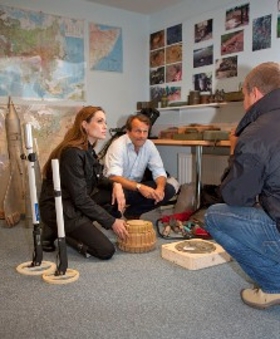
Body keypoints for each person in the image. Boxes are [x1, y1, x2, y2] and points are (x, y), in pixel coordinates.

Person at [204, 62, 280, 310]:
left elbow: (235, 197)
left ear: (255, 93)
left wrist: (235, 151)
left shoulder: (258, 132)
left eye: (244, 96)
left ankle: (273, 286)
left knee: (216, 216)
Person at [39, 106, 129, 260]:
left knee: (111, 195)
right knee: (106, 251)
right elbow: (81, 199)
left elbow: (98, 178)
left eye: (105, 122)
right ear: (84, 125)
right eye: (99, 121)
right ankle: (62, 233)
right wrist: (112, 222)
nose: (105, 126)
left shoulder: (87, 149)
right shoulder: (73, 153)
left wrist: (116, 185)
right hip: (60, 208)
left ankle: (58, 230)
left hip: (73, 201)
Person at [103, 113, 176, 220]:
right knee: (112, 206)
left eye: (145, 131)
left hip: (134, 188)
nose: (142, 136)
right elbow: (113, 177)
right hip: (114, 188)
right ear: (128, 131)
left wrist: (160, 189)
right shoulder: (118, 145)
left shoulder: (149, 145)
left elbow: (159, 171)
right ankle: (111, 212)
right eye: (138, 131)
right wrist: (140, 187)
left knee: (168, 189)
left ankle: (132, 213)